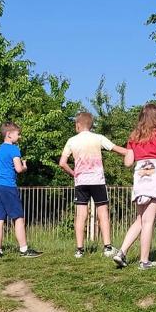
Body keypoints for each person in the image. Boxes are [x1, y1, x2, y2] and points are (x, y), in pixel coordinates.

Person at [113, 103, 156, 270]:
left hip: (140, 179)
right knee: (148, 221)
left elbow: (128, 163)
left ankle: (121, 252)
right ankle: (144, 261)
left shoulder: (134, 136)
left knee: (140, 220)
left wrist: (130, 150)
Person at [59, 110, 127, 258]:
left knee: (80, 215)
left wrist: (74, 173)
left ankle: (79, 250)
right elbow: (117, 149)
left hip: (81, 182)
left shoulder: (71, 141)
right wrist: (132, 152)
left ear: (78, 125)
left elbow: (62, 163)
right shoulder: (98, 138)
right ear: (91, 125)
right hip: (97, 181)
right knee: (103, 213)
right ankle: (108, 247)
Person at [0, 122, 40, 258]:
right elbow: (18, 169)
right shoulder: (14, 149)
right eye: (18, 134)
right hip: (8, 186)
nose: (19, 136)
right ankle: (24, 249)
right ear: (9, 134)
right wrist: (24, 166)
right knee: (18, 217)